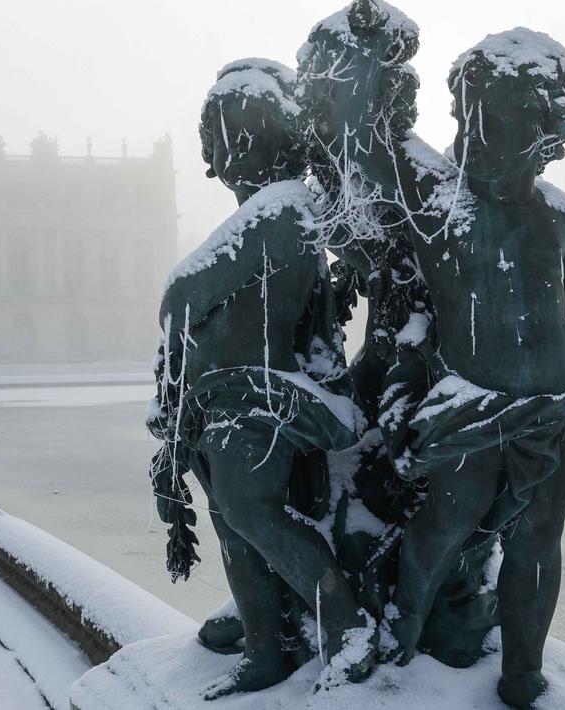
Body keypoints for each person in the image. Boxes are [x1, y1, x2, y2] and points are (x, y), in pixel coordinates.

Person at [301, 9, 565, 706]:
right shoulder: (437, 201)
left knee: (537, 539)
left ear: (550, 136)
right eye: (472, 122)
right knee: (440, 529)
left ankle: (523, 675)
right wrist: (369, 44)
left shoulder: (557, 215)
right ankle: (399, 649)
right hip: (469, 403)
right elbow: (365, 134)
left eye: (505, 128)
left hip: (560, 403)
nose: (477, 140)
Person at [148, 58, 371, 698]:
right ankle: (266, 649)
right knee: (234, 527)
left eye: (218, 146)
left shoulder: (279, 208)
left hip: (254, 400)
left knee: (252, 513)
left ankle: (349, 630)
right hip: (222, 402)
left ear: (252, 137)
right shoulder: (281, 212)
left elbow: (181, 292)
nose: (214, 166)